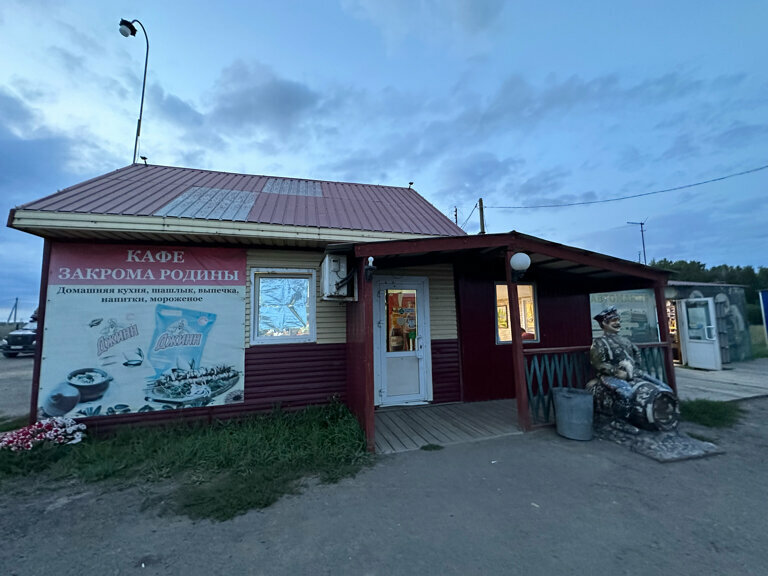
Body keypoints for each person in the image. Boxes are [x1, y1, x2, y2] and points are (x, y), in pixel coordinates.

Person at [589, 306, 679, 432]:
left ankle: (665, 416)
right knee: (627, 394)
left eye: (618, 320)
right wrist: (615, 371)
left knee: (665, 388)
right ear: (604, 323)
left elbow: (636, 354)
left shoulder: (625, 340)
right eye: (613, 320)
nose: (617, 323)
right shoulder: (599, 342)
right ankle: (620, 421)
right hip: (612, 376)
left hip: (634, 373)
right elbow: (598, 363)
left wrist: (634, 367)